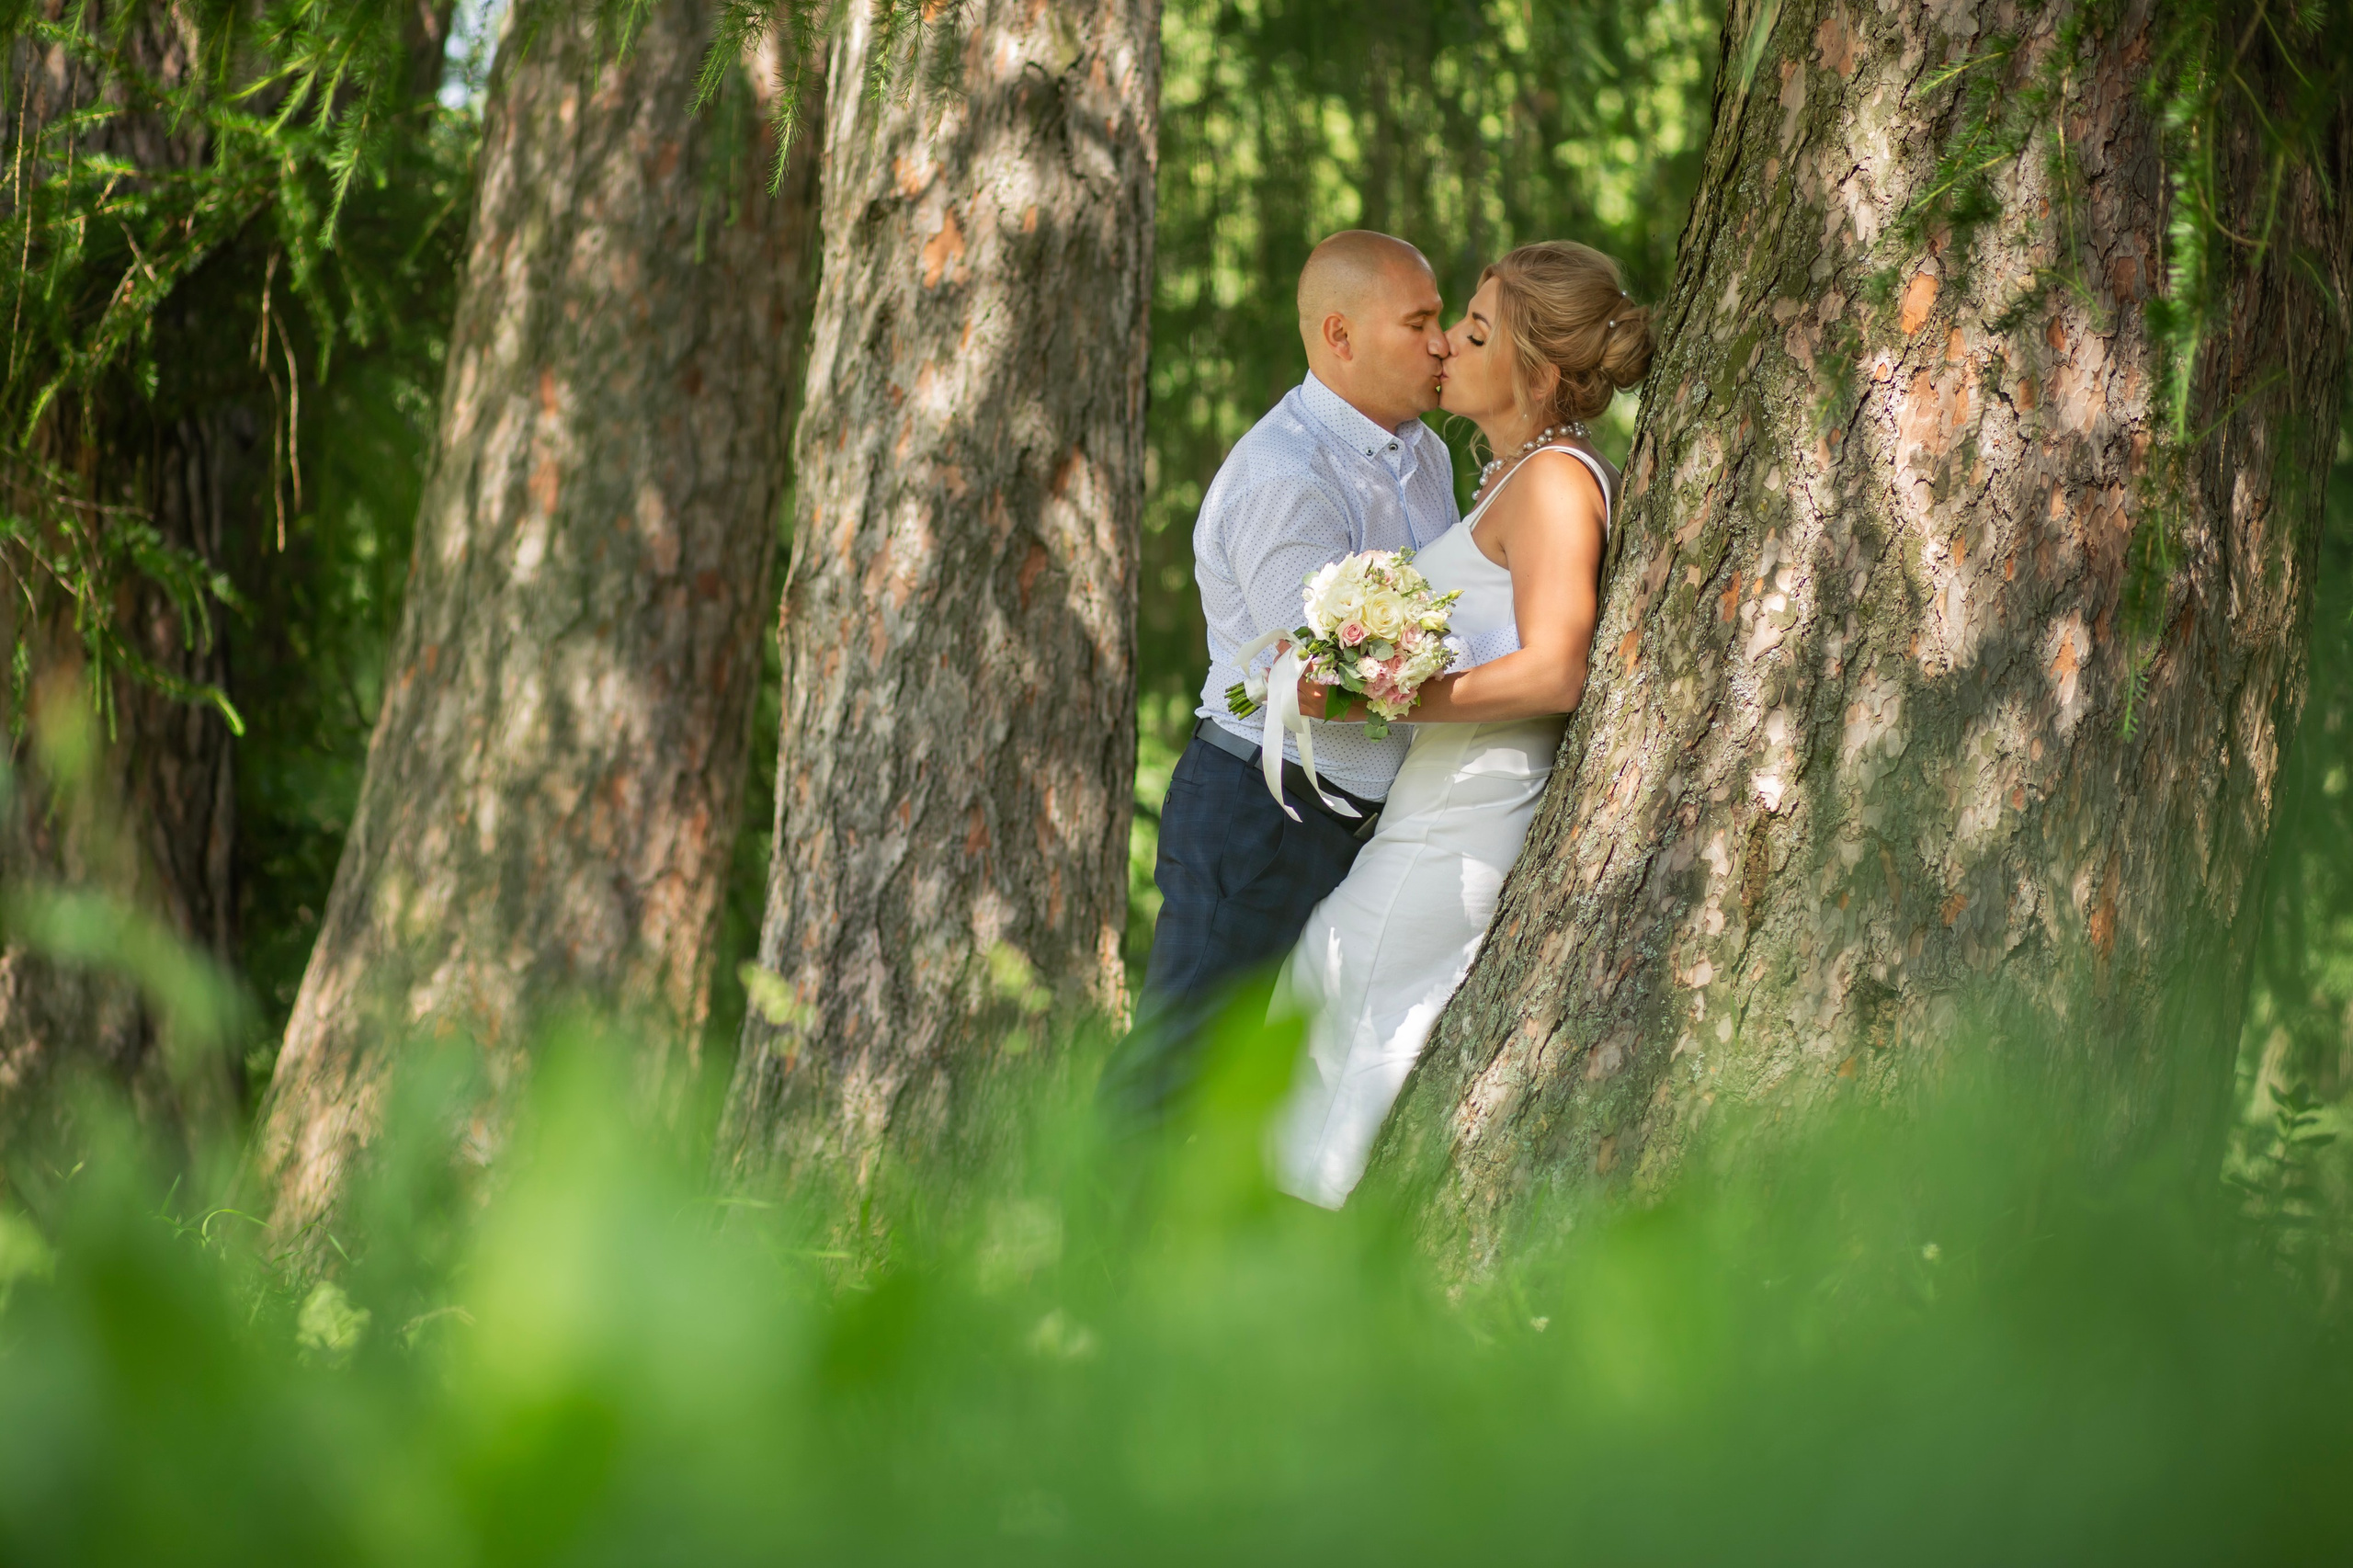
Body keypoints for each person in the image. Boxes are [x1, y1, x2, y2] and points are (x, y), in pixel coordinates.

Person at [1271, 241, 1654, 1207]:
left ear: (1539, 370)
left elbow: (1555, 671)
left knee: (1337, 1014)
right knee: (1322, 1001)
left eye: (1475, 332)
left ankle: (1301, 1266)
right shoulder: (1503, 477)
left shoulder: (1558, 482)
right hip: (1433, 798)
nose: (1445, 343)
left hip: (1471, 812)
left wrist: (1383, 695)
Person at [1097, 231, 1459, 1122]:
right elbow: (1315, 681)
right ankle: (1094, 1257)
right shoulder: (1282, 476)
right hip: (1265, 815)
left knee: (1297, 1083)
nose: (1443, 342)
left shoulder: (1428, 452)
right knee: (1183, 1066)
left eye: (1443, 319)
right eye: (1418, 322)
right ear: (1338, 335)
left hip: (1376, 817)